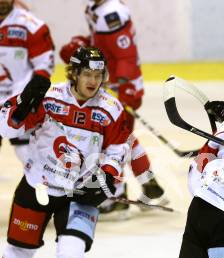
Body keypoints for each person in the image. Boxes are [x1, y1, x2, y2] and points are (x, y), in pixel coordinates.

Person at [0, 46, 130, 258]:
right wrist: (21, 105)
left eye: (98, 74)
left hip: (79, 194)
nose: (93, 80)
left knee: (71, 257)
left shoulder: (111, 108)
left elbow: (117, 149)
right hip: (38, 185)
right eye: (87, 73)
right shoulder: (49, 98)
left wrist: (107, 179)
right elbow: (6, 128)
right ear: (74, 73)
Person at [59, 0, 168, 220]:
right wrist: (84, 44)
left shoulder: (112, 13)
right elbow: (105, 46)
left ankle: (118, 196)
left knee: (110, 141)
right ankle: (148, 184)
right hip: (112, 84)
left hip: (121, 87)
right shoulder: (97, 7)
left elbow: (125, 55)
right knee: (123, 138)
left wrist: (125, 87)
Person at [0, 0, 55, 164]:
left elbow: (45, 64)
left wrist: (31, 98)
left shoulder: (31, 26)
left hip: (17, 101)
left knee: (27, 155)